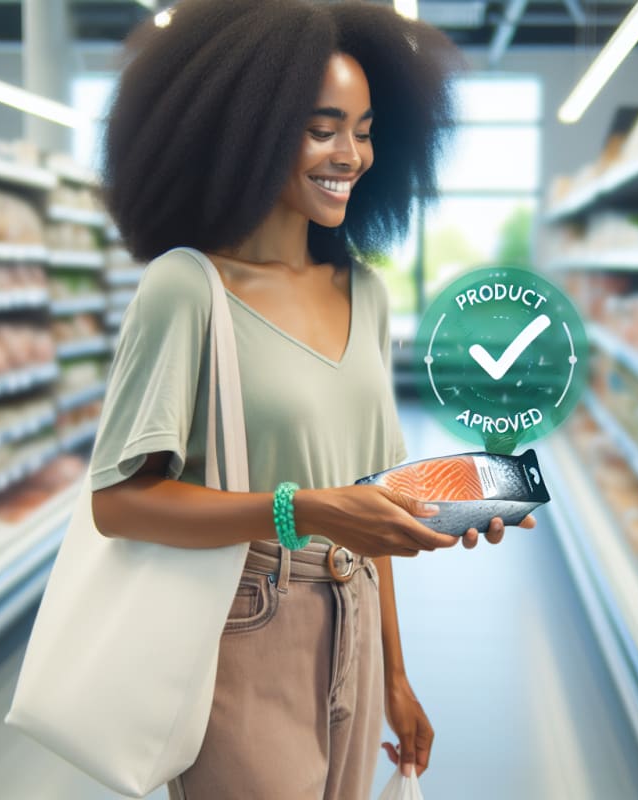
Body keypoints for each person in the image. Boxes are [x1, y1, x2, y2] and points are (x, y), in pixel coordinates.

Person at [90, 1, 535, 798]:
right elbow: (119, 503)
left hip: (355, 615)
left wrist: (398, 672)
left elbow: (367, 495)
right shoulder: (187, 289)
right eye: (322, 127)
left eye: (365, 129)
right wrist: (306, 511)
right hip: (241, 623)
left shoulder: (365, 293)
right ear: (250, 130)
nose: (352, 154)